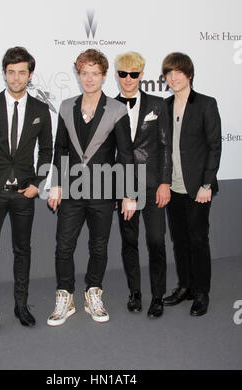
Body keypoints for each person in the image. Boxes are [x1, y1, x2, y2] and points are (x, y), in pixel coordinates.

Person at [47, 49, 136, 326]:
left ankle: (93, 293)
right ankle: (66, 297)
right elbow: (60, 148)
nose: (89, 78)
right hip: (72, 191)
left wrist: (128, 193)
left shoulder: (117, 110)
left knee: (99, 247)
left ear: (104, 76)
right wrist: (56, 185)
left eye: (94, 73)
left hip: (102, 192)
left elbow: (126, 154)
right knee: (64, 246)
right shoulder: (65, 107)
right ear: (78, 74)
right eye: (84, 73)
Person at [0, 47, 53, 338]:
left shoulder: (41, 110)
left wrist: (39, 183)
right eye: (11, 72)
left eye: (22, 72)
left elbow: (47, 150)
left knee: (23, 250)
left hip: (23, 193)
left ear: (30, 75)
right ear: (4, 73)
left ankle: (21, 305)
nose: (16, 78)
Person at [162, 52, 222, 316]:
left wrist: (206, 184)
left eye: (178, 72)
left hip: (198, 188)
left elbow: (214, 146)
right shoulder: (164, 106)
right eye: (169, 73)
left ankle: (201, 292)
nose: (173, 77)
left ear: (189, 74)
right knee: (179, 240)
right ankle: (185, 286)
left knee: (198, 240)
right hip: (172, 187)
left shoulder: (206, 104)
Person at [115, 52, 172, 318]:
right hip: (123, 186)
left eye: (134, 74)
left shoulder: (158, 104)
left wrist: (164, 183)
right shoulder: (109, 106)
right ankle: (135, 293)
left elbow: (165, 147)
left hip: (152, 185)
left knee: (156, 241)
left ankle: (158, 296)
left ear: (141, 75)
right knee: (129, 242)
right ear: (117, 75)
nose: (129, 79)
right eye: (124, 73)